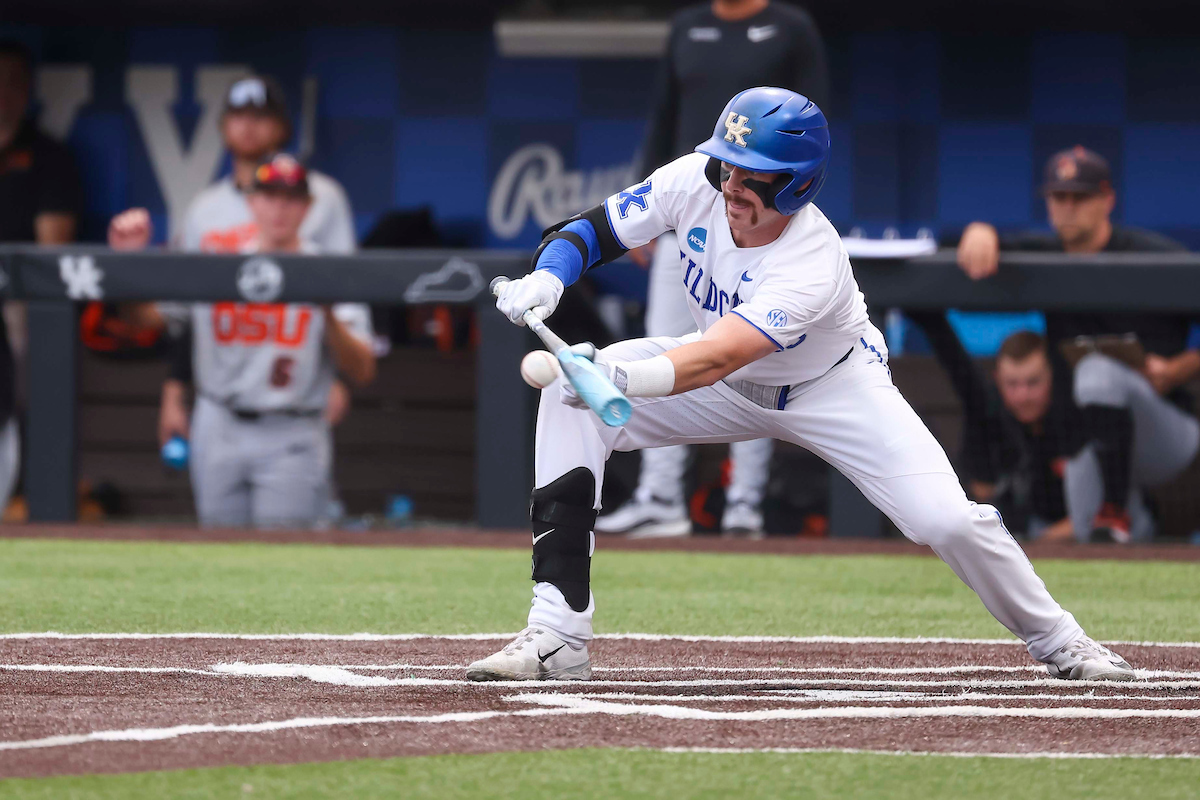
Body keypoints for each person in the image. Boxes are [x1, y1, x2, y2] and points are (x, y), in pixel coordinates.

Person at [467, 87, 1133, 683]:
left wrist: (616, 373)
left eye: (754, 176)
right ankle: (558, 636)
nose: (732, 185)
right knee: (566, 398)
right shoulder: (694, 180)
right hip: (722, 378)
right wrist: (549, 276)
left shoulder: (811, 258)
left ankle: (1063, 642)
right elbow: (591, 230)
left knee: (946, 521)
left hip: (830, 388)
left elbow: (717, 357)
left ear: (797, 186)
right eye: (729, 165)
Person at [603, 0, 830, 538]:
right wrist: (649, 210)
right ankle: (659, 496)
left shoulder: (790, 28)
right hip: (691, 210)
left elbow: (814, 132)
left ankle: (744, 504)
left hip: (758, 224)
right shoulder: (687, 25)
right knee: (661, 342)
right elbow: (663, 115)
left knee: (748, 357)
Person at [108, 154, 376, 527]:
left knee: (283, 560)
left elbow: (363, 370)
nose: (279, 208)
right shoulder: (219, 264)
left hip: (292, 430)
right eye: (269, 195)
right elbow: (142, 319)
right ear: (251, 202)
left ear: (308, 207)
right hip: (219, 422)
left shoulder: (330, 272)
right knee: (220, 554)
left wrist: (328, 313)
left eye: (291, 198)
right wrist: (128, 267)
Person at [956, 146, 1197, 541]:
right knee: (1092, 539)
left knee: (1097, 370)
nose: (1068, 207)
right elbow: (982, 244)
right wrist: (982, 229)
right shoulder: (1046, 255)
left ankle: (1116, 509)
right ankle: (1128, 525)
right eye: (1059, 197)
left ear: (1108, 200)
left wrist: (1179, 369)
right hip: (1095, 444)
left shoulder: (1150, 255)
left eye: (1080, 197)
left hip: (1164, 430)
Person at [0, 39, 83, 517]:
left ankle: (23, 498)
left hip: (17, 302)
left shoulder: (46, 154)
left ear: (28, 89)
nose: (2, 92)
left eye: (12, 82)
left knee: (17, 395)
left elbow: (52, 248)